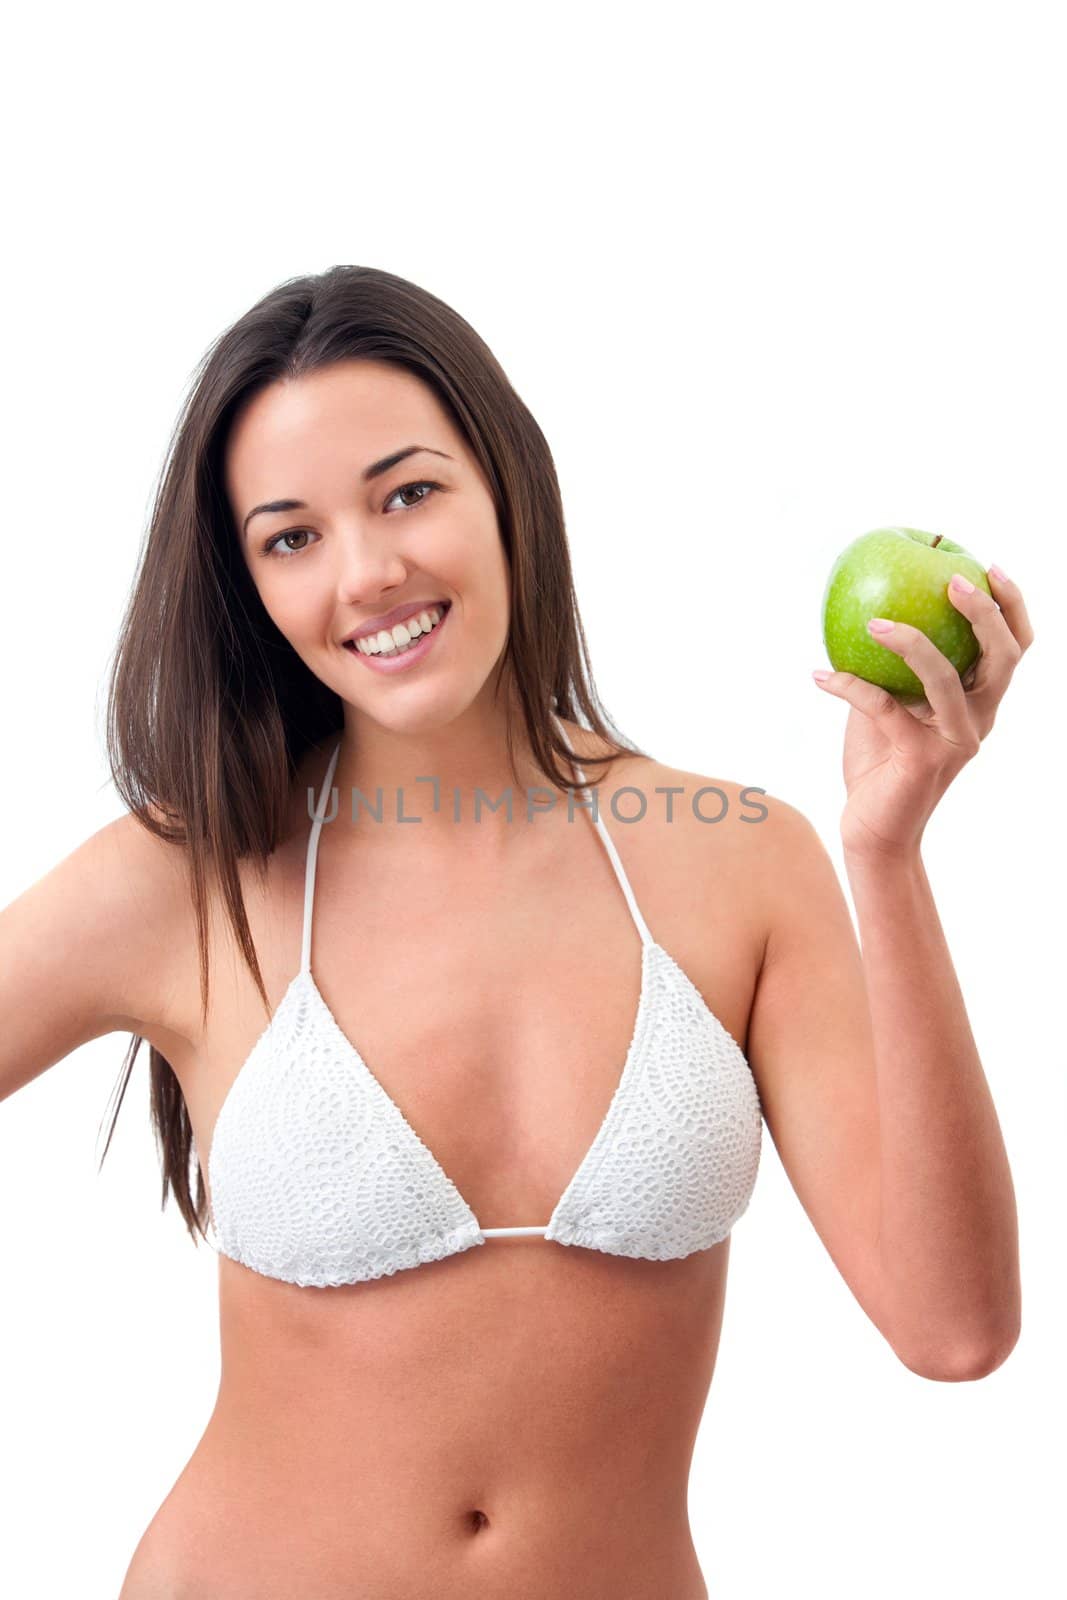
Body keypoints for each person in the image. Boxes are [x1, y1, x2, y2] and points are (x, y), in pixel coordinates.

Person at [0, 265, 1029, 1600]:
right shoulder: (188, 873)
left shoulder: (741, 862)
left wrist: (887, 852)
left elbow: (953, 1330)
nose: (368, 573)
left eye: (407, 491)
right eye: (291, 537)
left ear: (506, 489)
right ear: (246, 584)